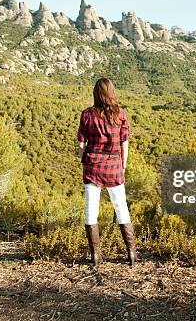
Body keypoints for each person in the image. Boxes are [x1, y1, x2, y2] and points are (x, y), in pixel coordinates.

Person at [77, 77, 136, 268]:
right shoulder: (120, 115)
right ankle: (131, 253)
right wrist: (123, 165)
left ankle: (95, 255)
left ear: (96, 94)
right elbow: (124, 143)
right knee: (121, 208)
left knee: (91, 210)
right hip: (114, 168)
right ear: (112, 93)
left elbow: (81, 144)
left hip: (93, 166)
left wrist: (84, 160)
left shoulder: (87, 115)